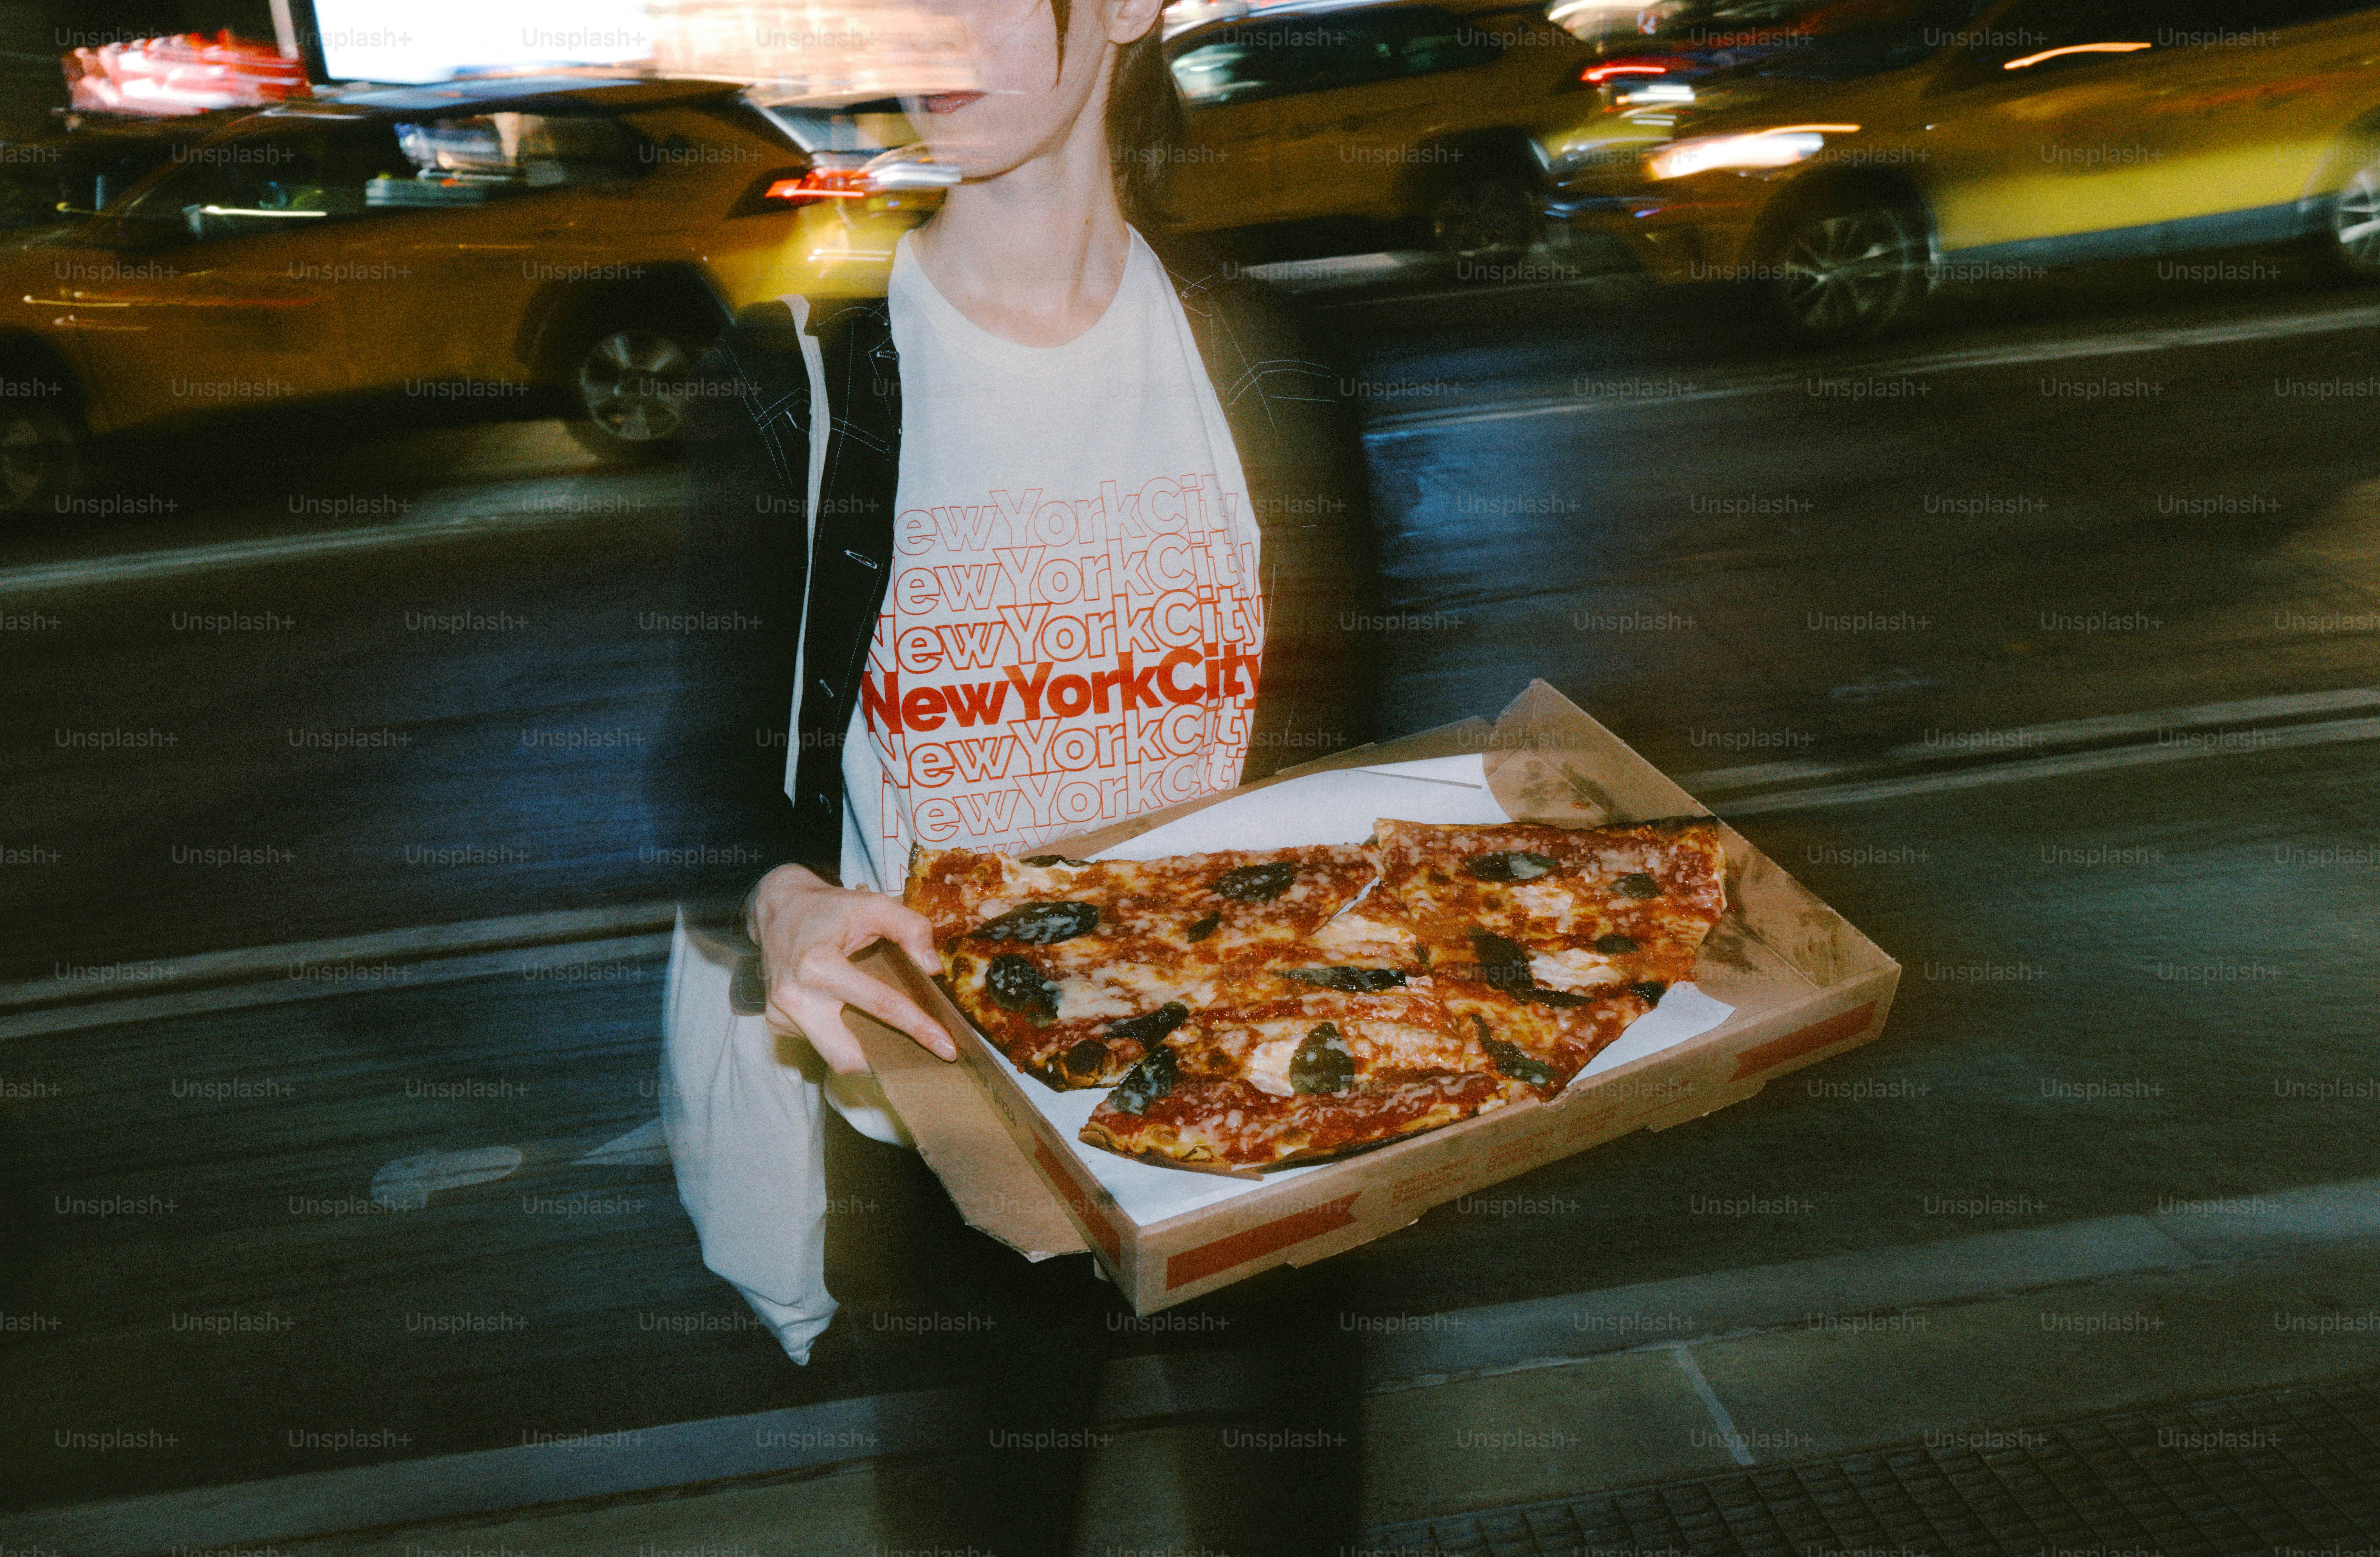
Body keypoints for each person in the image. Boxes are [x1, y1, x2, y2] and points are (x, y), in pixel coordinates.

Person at [647, 0, 1379, 1544]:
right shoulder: (809, 381)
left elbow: (1352, 745)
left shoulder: (1273, 359)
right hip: (956, 1136)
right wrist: (783, 900)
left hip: (1257, 1105)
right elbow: (712, 762)